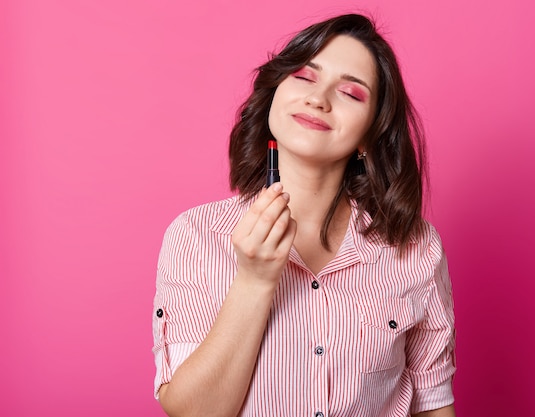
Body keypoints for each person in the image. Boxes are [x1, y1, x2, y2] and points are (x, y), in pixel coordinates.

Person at [152, 13, 456, 417]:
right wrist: (254, 281)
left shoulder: (415, 247)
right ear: (275, 92)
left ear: (370, 133)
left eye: (350, 92)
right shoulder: (195, 236)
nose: (319, 98)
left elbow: (432, 407)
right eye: (304, 76)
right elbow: (194, 412)